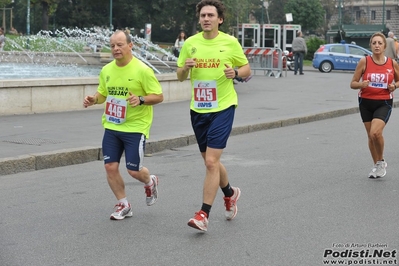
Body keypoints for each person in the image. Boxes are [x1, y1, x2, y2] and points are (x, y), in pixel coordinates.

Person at [176, 0, 251, 232]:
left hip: (223, 107)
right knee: (211, 162)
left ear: (220, 19)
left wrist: (236, 72)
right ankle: (230, 193)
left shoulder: (230, 42)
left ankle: (203, 214)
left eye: (210, 15)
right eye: (203, 15)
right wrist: (185, 68)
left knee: (211, 162)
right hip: (198, 109)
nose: (206, 18)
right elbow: (179, 76)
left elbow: (247, 70)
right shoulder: (190, 43)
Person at [83, 30, 164, 220]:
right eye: (112, 46)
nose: (116, 49)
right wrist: (93, 99)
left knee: (134, 170)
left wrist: (141, 99)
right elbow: (103, 93)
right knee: (110, 166)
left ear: (130, 45)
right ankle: (124, 204)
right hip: (112, 126)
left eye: (120, 45)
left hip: (135, 127)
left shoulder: (142, 70)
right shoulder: (107, 70)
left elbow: (159, 96)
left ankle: (150, 181)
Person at [350, 32, 399, 179]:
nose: (377, 45)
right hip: (365, 102)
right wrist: (361, 84)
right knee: (370, 137)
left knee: (375, 133)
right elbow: (353, 83)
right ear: (370, 45)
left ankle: (381, 160)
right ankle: (377, 165)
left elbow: (398, 81)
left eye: (379, 43)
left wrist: (394, 86)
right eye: (374, 43)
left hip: (383, 102)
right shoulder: (364, 61)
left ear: (384, 46)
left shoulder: (392, 63)